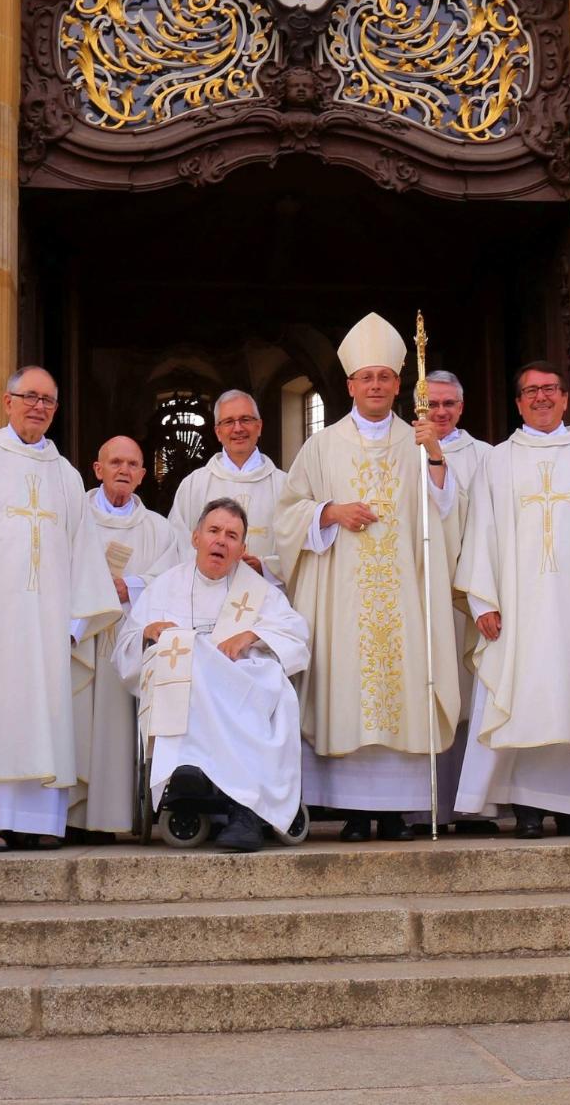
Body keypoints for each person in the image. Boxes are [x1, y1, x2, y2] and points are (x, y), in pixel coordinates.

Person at [276, 313, 461, 841]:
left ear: (399, 384)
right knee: (349, 689)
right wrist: (330, 513)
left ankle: (399, 812)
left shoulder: (418, 441)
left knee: (403, 688)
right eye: (366, 378)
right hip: (343, 598)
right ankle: (354, 814)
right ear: (351, 385)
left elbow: (448, 511)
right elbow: (289, 512)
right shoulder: (322, 446)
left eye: (384, 376)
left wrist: (435, 455)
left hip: (405, 592)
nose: (375, 385)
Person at [454, 362, 570, 837]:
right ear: (518, 403)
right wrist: (484, 603)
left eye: (549, 390)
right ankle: (527, 808)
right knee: (523, 693)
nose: (540, 398)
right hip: (518, 609)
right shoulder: (498, 460)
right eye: (530, 391)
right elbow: (481, 532)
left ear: (564, 398)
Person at [0, 367, 123, 850]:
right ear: (7, 401)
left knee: (43, 713)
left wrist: (75, 623)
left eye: (47, 400)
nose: (38, 407)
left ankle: (36, 821)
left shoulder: (65, 475)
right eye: (29, 397)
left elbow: (84, 552)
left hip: (47, 624)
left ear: (55, 410)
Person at [118, 499, 312, 851]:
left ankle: (245, 810)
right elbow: (126, 649)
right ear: (195, 538)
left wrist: (252, 635)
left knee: (266, 675)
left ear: (242, 549)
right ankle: (190, 774)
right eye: (214, 531)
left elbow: (296, 635)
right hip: (190, 690)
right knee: (185, 666)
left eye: (232, 535)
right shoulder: (164, 587)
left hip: (241, 690)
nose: (221, 541)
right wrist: (149, 631)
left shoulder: (258, 591)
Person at [73, 435, 186, 837]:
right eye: (115, 462)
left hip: (130, 639)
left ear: (142, 475)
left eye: (132, 464)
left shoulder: (158, 528)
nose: (123, 470)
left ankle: (111, 818)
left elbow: (171, 578)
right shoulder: (74, 517)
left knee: (117, 729)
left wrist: (131, 585)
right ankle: (69, 816)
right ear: (97, 469)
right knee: (76, 721)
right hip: (79, 642)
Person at [415, 369, 496, 833]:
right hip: (424, 593)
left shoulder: (487, 456)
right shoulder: (400, 451)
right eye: (432, 405)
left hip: (473, 595)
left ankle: (472, 806)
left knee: (471, 699)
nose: (440, 413)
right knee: (429, 695)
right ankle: (424, 805)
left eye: (448, 405)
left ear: (461, 408)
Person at [168, 390, 287, 584]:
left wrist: (265, 567)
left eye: (246, 419)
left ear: (259, 426)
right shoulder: (194, 485)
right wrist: (213, 568)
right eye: (229, 422)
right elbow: (177, 542)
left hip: (265, 595)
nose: (238, 428)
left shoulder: (285, 486)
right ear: (218, 432)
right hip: (205, 593)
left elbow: (299, 548)